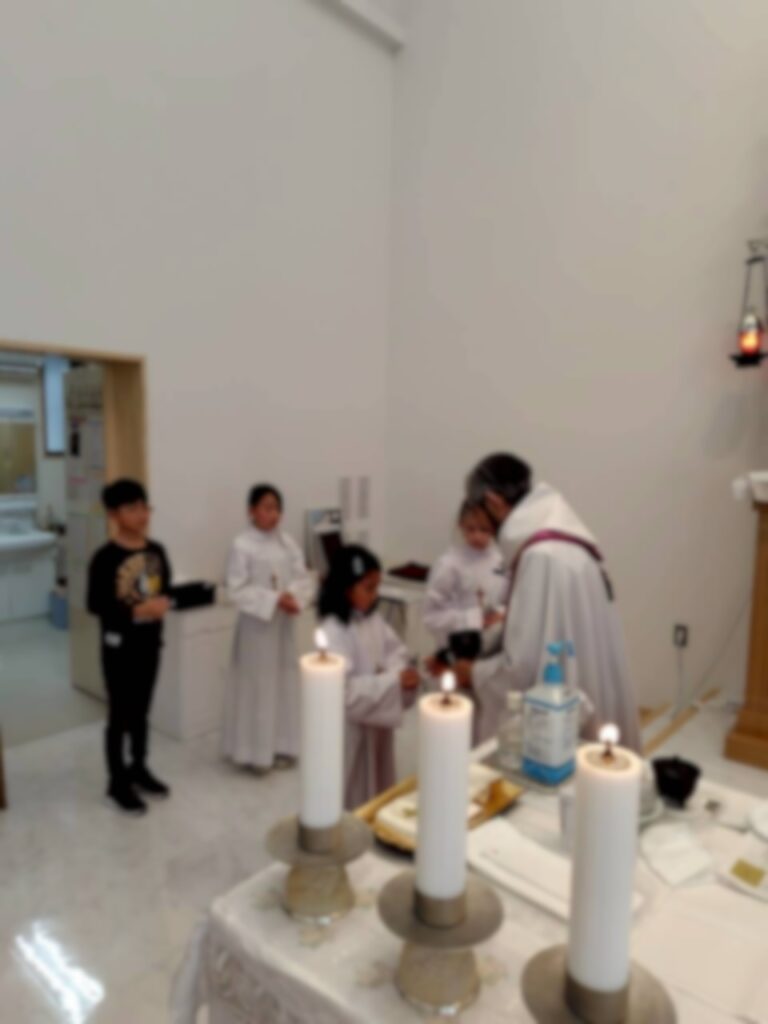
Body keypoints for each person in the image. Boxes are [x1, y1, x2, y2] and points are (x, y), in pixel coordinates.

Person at [455, 452, 641, 750]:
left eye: (480, 514)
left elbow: (521, 668)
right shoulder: (567, 540)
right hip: (589, 688)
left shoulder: (539, 556)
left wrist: (474, 673)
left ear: (494, 502)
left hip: (561, 710)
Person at [87, 479, 172, 815]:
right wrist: (137, 611)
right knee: (120, 715)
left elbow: (164, 589)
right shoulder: (105, 558)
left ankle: (139, 767)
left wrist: (163, 604)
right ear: (114, 514)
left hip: (150, 644)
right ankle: (117, 781)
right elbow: (96, 603)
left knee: (141, 712)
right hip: (118, 648)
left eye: (144, 507)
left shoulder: (157, 551)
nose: (141, 514)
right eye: (132, 508)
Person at [221, 484, 315, 774]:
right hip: (256, 629)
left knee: (284, 683)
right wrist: (274, 599)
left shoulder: (287, 543)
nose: (274, 514)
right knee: (257, 687)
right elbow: (236, 589)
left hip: (282, 626)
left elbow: (302, 576)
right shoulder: (242, 545)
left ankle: (283, 746)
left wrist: (294, 598)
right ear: (252, 511)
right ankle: (254, 753)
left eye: (277, 508)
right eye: (267, 507)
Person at [319, 545, 421, 809]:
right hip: (350, 731)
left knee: (378, 781)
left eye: (377, 587)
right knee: (352, 790)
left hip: (376, 721)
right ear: (346, 587)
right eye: (368, 588)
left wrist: (401, 672)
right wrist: (392, 681)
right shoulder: (334, 631)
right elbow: (342, 694)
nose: (375, 595)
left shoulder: (373, 620)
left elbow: (396, 651)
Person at [423, 499, 508, 656]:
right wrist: (472, 619)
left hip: (493, 648)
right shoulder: (449, 564)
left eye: (484, 529)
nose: (477, 536)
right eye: (471, 529)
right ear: (461, 525)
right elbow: (431, 618)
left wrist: (501, 613)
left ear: (495, 528)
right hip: (456, 650)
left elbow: (509, 600)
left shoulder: (501, 560)